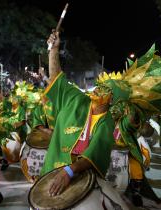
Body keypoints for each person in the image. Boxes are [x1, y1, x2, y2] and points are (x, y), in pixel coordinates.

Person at [41, 30, 116, 197]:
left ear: (111, 99)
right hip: (51, 168)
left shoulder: (106, 121)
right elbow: (56, 80)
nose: (99, 90)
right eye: (99, 86)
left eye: (106, 90)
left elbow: (96, 153)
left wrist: (69, 171)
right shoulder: (77, 99)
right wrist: (53, 51)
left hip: (80, 175)